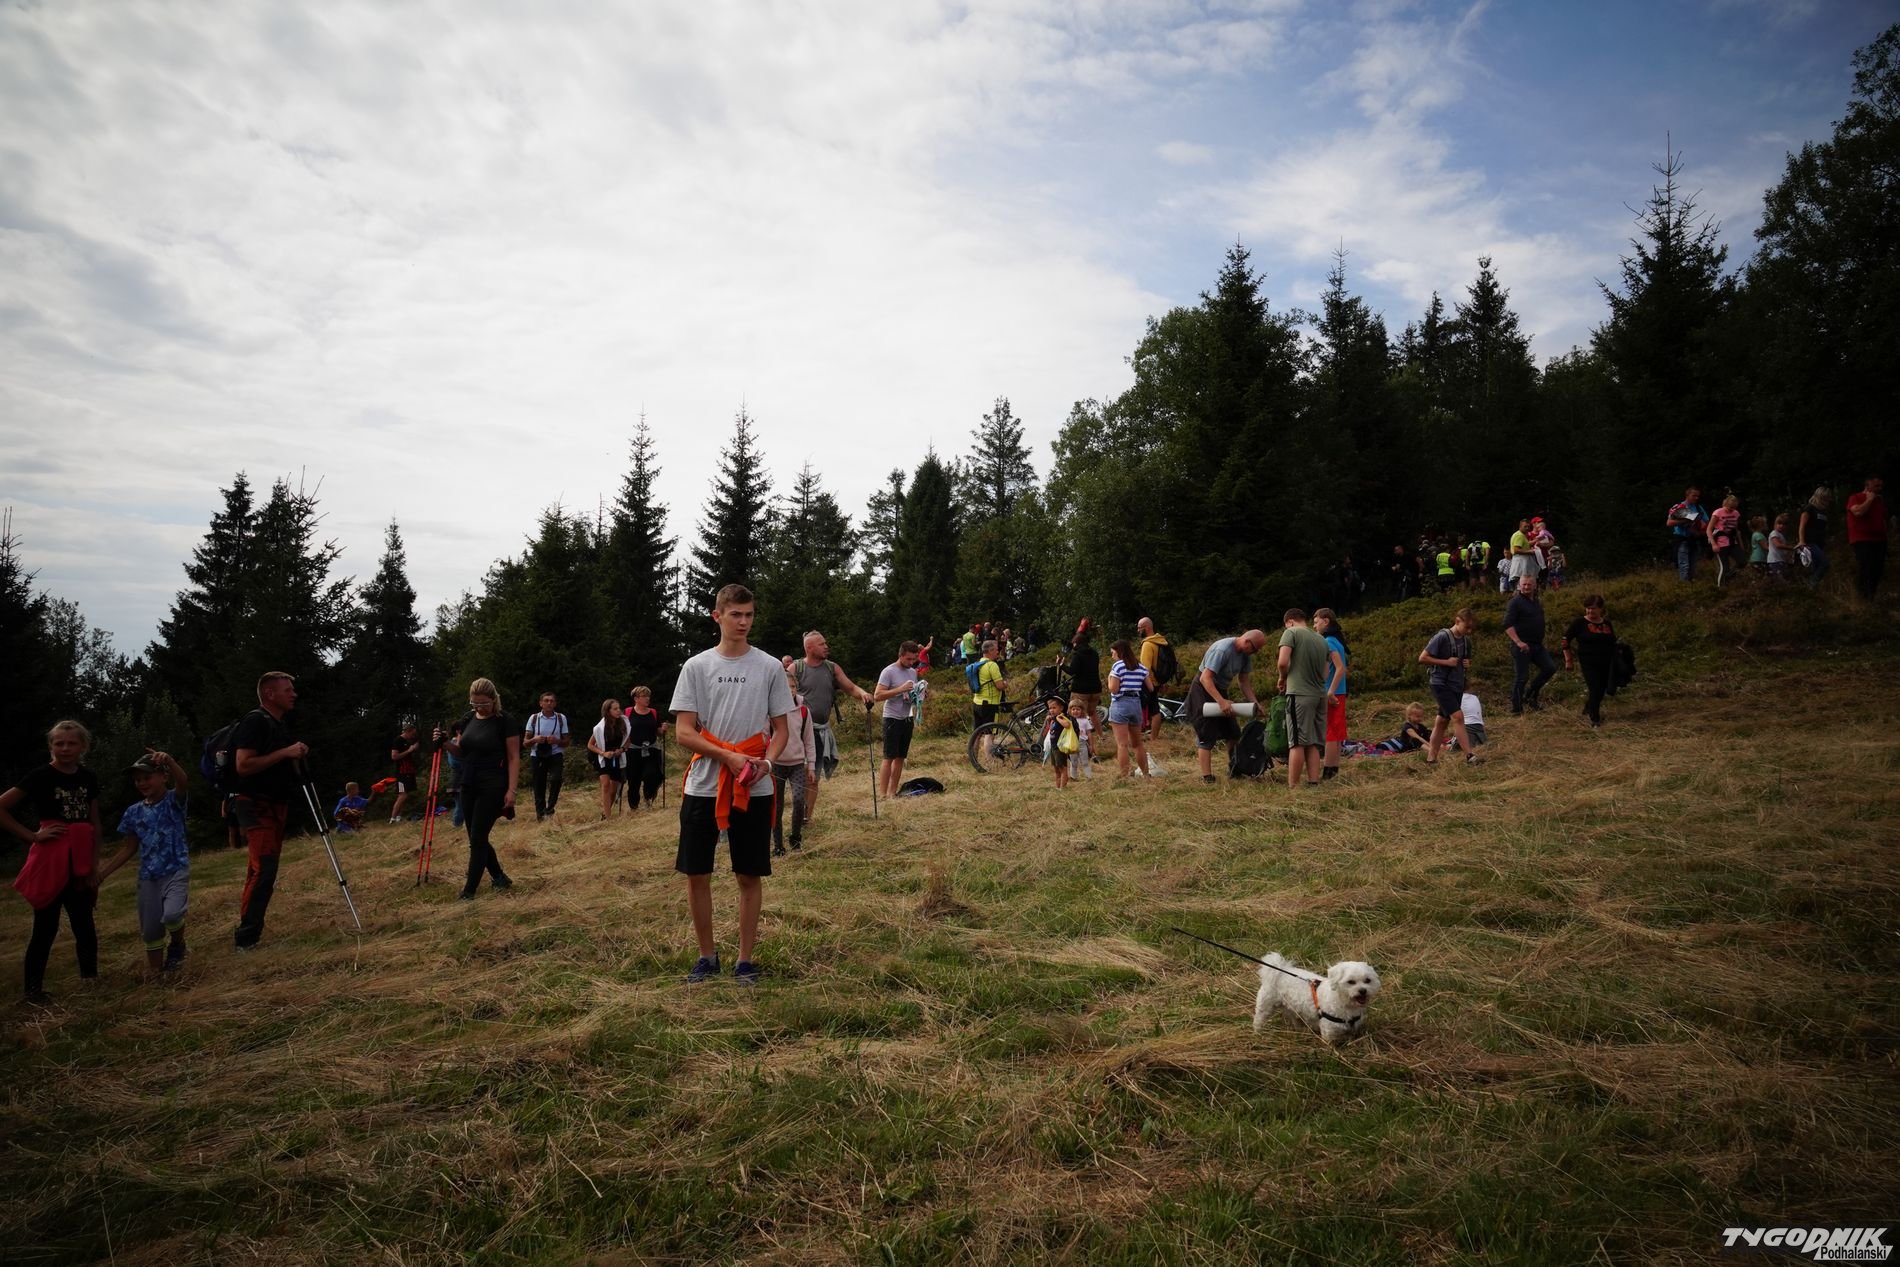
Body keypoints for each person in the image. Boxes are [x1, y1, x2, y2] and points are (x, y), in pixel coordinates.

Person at [672, 583, 792, 985]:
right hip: (704, 785)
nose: (743, 622)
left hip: (753, 784)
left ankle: (745, 960)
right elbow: (684, 732)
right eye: (735, 614)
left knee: (748, 874)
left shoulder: (769, 667)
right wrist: (727, 757)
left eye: (749, 615)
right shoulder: (696, 667)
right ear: (717, 616)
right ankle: (707, 956)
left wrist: (766, 763)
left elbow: (781, 730)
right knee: (697, 873)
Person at [1, 720, 103, 1005]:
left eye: (71, 743)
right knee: (45, 926)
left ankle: (90, 980)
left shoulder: (88, 777)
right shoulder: (40, 775)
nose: (65, 748)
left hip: (80, 858)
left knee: (84, 922)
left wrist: (94, 864)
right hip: (51, 859)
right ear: (51, 746)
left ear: (83, 746)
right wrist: (33, 836)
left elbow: (95, 823)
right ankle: (32, 991)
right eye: (59, 743)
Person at [94, 750, 191, 978]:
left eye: (147, 777)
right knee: (151, 930)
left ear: (163, 777)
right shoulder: (133, 812)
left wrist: (170, 761)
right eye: (137, 779)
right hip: (148, 877)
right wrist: (103, 873)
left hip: (175, 870)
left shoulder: (173, 801)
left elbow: (183, 781)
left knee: (172, 915)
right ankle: (156, 973)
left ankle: (177, 944)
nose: (142, 783)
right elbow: (129, 848)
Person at [229, 671, 309, 949]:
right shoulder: (255, 721)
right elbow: (243, 765)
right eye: (288, 690)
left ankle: (248, 931)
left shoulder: (278, 724)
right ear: (269, 694)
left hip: (274, 804)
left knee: (261, 868)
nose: (293, 694)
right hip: (256, 804)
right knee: (264, 869)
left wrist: (294, 755)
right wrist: (285, 753)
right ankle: (247, 937)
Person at [435, 677, 520, 901]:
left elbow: (513, 757)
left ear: (493, 699)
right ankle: (499, 877)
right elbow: (461, 752)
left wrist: (512, 790)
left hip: (493, 783)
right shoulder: (468, 718)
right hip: (468, 781)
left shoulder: (505, 721)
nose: (479, 707)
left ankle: (468, 892)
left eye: (483, 703)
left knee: (478, 837)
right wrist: (445, 743)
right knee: (475, 837)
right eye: (475, 703)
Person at [794, 630, 875, 827]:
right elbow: (780, 694)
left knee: (813, 777)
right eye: (821, 644)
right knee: (799, 776)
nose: (826, 647)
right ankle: (795, 815)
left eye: (825, 643)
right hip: (797, 732)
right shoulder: (796, 668)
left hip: (820, 731)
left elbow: (850, 687)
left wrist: (863, 694)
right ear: (809, 648)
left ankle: (806, 818)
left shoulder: (832, 668)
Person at [1185, 629, 1267, 784]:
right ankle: (1207, 777)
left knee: (1233, 732)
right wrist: (1221, 702)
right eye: (1255, 649)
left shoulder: (1245, 655)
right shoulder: (1222, 650)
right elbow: (1205, 678)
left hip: (1220, 691)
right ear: (1247, 641)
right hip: (1203, 690)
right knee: (1206, 734)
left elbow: (1243, 681)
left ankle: (1235, 768)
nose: (1255, 652)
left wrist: (1255, 703)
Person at [1276, 610, 1333, 790]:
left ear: (1290, 621)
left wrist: (1282, 678)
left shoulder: (1291, 633)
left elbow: (1283, 662)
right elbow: (1326, 673)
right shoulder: (1321, 640)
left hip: (1299, 695)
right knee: (1313, 741)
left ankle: (1293, 786)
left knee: (1297, 742)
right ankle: (1313, 781)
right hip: (1319, 695)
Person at [1419, 609, 1479, 765]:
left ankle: (1431, 759)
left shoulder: (1466, 641)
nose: (1469, 631)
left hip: (1457, 685)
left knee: (1442, 722)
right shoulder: (1442, 637)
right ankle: (1470, 756)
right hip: (1440, 683)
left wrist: (1467, 663)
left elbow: (1466, 660)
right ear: (1457, 621)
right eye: (1467, 627)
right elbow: (1423, 658)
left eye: (1471, 628)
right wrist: (1446, 662)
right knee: (1458, 717)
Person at [771, 664, 815, 856]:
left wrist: (811, 765)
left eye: (793, 686)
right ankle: (778, 845)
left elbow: (809, 739)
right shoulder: (771, 710)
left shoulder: (804, 711)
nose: (790, 690)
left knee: (798, 800)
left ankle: (796, 839)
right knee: (777, 805)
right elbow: (764, 736)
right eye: (786, 687)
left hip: (797, 763)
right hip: (776, 764)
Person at [872, 641, 925, 798]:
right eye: (908, 659)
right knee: (889, 756)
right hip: (892, 718)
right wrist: (900, 689)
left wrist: (920, 694)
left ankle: (892, 792)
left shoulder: (912, 672)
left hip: (907, 717)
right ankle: (882, 794)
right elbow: (877, 695)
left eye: (914, 659)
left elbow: (911, 693)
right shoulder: (888, 671)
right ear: (900, 655)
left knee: (901, 757)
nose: (911, 662)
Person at [1562, 594, 1619, 730]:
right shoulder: (1579, 623)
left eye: (1593, 608)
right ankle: (1595, 718)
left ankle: (1589, 707)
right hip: (1588, 662)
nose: (1590, 611)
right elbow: (1565, 640)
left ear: (1600, 609)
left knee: (1602, 689)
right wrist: (1568, 659)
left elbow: (1613, 641)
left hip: (1606, 662)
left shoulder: (1607, 624)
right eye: (1587, 608)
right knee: (1595, 688)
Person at [1503, 576, 1556, 715]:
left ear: (1535, 586)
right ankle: (1517, 709)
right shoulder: (1515, 602)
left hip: (1537, 645)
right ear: (1519, 585)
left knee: (1550, 668)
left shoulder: (1536, 602)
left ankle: (1530, 696)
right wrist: (1518, 642)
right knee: (1522, 677)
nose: (1526, 587)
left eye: (1529, 584)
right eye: (1524, 584)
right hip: (1521, 646)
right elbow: (1507, 625)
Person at [1105, 638, 1151, 778]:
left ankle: (1124, 775)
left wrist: (1109, 679)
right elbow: (1150, 687)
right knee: (1138, 744)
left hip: (1120, 703)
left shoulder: (1118, 666)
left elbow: (1113, 689)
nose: (1112, 656)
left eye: (1113, 653)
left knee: (1122, 744)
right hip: (1135, 704)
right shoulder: (1140, 666)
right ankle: (1145, 774)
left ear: (1119, 652)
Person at [1313, 608, 1350, 780]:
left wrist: (1330, 692)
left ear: (1326, 621)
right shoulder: (1336, 640)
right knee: (1336, 732)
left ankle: (1328, 771)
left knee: (1329, 733)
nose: (1314, 626)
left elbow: (1341, 668)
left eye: (1316, 622)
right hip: (1339, 692)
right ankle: (1334, 769)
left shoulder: (1328, 641)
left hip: (1333, 693)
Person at [523, 692, 570, 821]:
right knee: (539, 784)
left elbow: (567, 741)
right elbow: (525, 742)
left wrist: (556, 741)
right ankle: (541, 815)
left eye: (551, 701)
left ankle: (550, 808)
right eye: (546, 700)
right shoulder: (534, 718)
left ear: (555, 703)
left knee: (556, 779)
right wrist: (535, 739)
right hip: (538, 754)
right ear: (541, 703)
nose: (549, 703)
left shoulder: (561, 718)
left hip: (555, 753)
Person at [626, 686, 669, 810]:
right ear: (636, 699)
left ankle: (648, 799)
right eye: (644, 696)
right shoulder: (628, 712)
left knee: (652, 775)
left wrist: (663, 729)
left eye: (648, 696)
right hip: (633, 751)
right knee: (633, 780)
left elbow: (658, 732)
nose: (647, 698)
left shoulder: (653, 713)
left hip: (651, 750)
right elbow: (623, 730)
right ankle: (634, 806)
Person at [1846, 475, 1888, 601]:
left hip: (1879, 540)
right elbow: (1858, 512)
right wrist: (1869, 500)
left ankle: (1870, 597)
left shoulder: (1879, 500)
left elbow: (1882, 518)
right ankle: (1862, 597)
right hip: (1862, 539)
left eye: (1880, 486)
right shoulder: (1855, 497)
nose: (1879, 488)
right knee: (1866, 567)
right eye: (1876, 486)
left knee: (1878, 569)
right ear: (1867, 485)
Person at [589, 699, 630, 819]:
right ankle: (608, 817)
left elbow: (628, 741)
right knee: (606, 784)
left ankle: (605, 811)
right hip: (602, 758)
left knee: (614, 789)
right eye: (615, 709)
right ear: (608, 711)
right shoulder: (600, 728)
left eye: (619, 708)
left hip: (616, 758)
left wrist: (621, 750)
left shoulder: (623, 724)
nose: (618, 711)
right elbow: (590, 745)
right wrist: (603, 753)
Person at [1137, 617, 1171, 742]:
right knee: (1154, 709)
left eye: (1139, 628)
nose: (1138, 630)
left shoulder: (1148, 644)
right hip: (1158, 681)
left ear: (1147, 628)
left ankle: (1147, 738)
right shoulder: (1161, 641)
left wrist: (1142, 684)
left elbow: (1144, 668)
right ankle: (1153, 737)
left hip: (1148, 682)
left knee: (1150, 710)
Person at [1666, 488, 1709, 581]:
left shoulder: (1698, 508)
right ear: (1687, 495)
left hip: (1695, 539)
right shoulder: (1679, 507)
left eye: (1698, 496)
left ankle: (1691, 584)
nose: (1696, 498)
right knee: (1684, 564)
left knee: (1692, 564)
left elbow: (1707, 522)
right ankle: (1684, 584)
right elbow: (1669, 523)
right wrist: (1686, 520)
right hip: (1682, 539)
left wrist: (1701, 530)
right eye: (1694, 496)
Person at [1067, 621, 1102, 724]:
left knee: (1079, 715)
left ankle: (1082, 734)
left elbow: (1073, 671)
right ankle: (1099, 732)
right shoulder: (1094, 653)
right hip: (1095, 688)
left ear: (1077, 643)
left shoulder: (1077, 655)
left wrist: (1061, 665)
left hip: (1081, 690)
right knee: (1093, 713)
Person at [1707, 494, 1744, 588]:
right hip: (1721, 542)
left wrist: (1741, 544)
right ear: (1725, 504)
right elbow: (1709, 529)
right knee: (1725, 567)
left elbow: (1736, 530)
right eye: (1729, 507)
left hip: (1732, 541)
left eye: (1733, 508)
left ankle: (1728, 577)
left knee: (1742, 561)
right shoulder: (1718, 513)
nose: (1731, 510)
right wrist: (1713, 544)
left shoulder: (1736, 513)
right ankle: (1721, 588)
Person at [1798, 485, 1832, 586]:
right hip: (1810, 542)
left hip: (1820, 542)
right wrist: (1801, 541)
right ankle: (1811, 584)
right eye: (1824, 498)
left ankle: (1813, 589)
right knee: (1824, 563)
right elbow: (1802, 526)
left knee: (1816, 566)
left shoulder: (1823, 512)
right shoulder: (1809, 508)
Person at [971, 639, 1006, 738]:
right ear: (990, 651)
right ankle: (989, 750)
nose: (998, 652)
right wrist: (1005, 684)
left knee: (977, 734)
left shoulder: (978, 664)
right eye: (996, 650)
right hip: (990, 704)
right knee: (989, 734)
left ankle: (972, 749)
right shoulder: (992, 665)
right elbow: (999, 686)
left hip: (977, 702)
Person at [388, 722, 420, 823]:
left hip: (408, 770)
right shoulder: (398, 740)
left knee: (405, 795)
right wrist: (409, 751)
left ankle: (398, 817)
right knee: (403, 795)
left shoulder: (407, 741)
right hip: (401, 772)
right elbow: (394, 756)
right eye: (412, 733)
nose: (413, 736)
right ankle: (393, 818)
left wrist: (414, 749)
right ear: (407, 731)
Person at [1044, 702, 1080, 789]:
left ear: (1061, 708)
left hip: (1060, 748)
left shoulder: (1062, 717)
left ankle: (1063, 788)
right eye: (1050, 708)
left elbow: (1067, 725)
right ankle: (1058, 787)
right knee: (1056, 769)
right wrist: (1049, 721)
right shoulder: (1053, 719)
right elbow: (1051, 730)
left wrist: (1058, 718)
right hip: (1053, 747)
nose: (1051, 710)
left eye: (1054, 708)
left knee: (1062, 768)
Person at [1507, 518, 1538, 586]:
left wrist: (1535, 541)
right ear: (1520, 526)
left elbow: (1525, 545)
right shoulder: (1519, 535)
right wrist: (1530, 551)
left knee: (1522, 584)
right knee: (1521, 584)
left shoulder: (1521, 535)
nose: (1527, 528)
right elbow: (1516, 550)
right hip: (1520, 562)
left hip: (1521, 561)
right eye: (1525, 526)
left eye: (1528, 527)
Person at [1767, 514, 1795, 582]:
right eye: (1779, 523)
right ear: (1775, 524)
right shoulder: (1774, 533)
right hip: (1774, 560)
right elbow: (1778, 545)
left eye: (1784, 524)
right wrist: (1792, 548)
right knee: (1779, 580)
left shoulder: (1781, 535)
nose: (1781, 526)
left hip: (1781, 560)